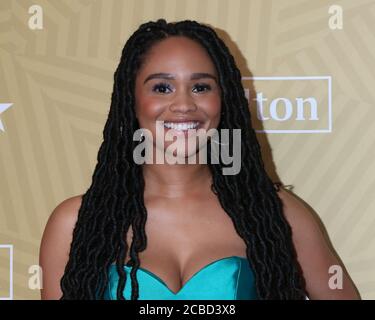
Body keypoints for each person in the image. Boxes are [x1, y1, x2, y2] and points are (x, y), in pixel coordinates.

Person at [39, 19, 360, 300]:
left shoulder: (278, 214)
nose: (183, 104)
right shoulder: (73, 223)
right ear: (131, 100)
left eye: (201, 86)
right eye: (162, 87)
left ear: (224, 99)